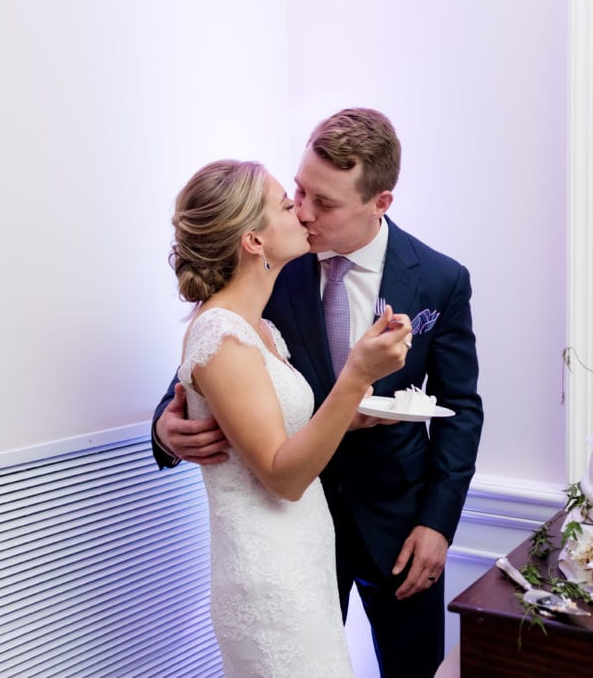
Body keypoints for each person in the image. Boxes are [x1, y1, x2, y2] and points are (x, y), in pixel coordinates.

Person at [153, 108, 484, 677]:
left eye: (323, 203)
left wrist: (437, 524)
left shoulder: (439, 278)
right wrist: (165, 426)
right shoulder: (272, 266)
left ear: (379, 203)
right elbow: (203, 365)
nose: (304, 212)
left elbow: (463, 409)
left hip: (399, 526)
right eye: (298, 192)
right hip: (289, 537)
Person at [166, 158, 412, 677]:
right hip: (267, 575)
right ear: (254, 242)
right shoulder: (220, 334)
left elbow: (280, 432)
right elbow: (282, 476)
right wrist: (355, 378)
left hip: (303, 561)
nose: (301, 213)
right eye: (286, 204)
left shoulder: (261, 331)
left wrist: (356, 417)